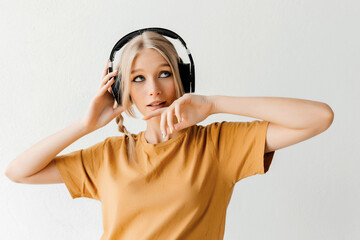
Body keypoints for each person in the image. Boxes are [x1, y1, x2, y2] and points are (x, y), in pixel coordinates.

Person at [5, 31, 334, 239]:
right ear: (123, 92)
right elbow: (18, 172)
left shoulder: (218, 145)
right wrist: (85, 125)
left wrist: (215, 104)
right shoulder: (108, 156)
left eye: (164, 74)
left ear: (182, 81)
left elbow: (319, 118)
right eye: (137, 79)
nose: (153, 90)